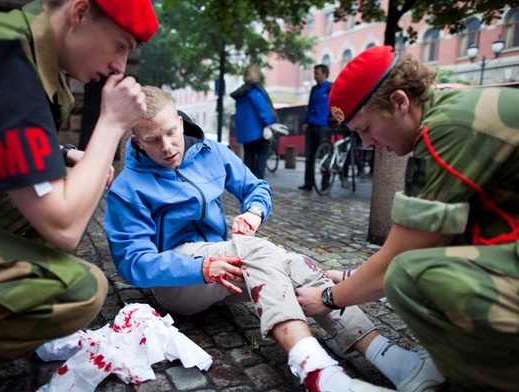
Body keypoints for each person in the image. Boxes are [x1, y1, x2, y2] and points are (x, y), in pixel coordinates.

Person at [105, 85, 446, 392]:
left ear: (181, 121)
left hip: (225, 268)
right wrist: (203, 268)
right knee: (256, 250)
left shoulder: (212, 152)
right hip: (178, 284)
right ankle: (320, 374)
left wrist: (253, 212)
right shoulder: (126, 188)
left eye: (171, 133)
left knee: (295, 266)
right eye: (152, 140)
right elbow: (133, 263)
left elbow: (257, 188)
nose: (167, 147)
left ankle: (393, 359)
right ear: (136, 140)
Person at [0, 0, 157, 377]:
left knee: (63, 188)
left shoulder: (16, 48)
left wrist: (67, 155)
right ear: (80, 13)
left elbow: (0, 131)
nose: (120, 65)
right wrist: (112, 123)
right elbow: (64, 226)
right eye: (120, 45)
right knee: (79, 290)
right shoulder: (6, 64)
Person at [295, 45, 519, 391]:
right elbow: (437, 233)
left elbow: (400, 259)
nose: (366, 143)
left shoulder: (445, 129)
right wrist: (353, 277)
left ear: (399, 102)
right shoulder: (444, 110)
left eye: (366, 127)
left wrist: (327, 298)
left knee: (408, 277)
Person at [230, 64, 278, 180]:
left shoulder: (242, 93)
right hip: (258, 131)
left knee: (249, 157)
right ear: (255, 75)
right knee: (261, 157)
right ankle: (258, 186)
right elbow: (263, 109)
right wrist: (270, 124)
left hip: (246, 134)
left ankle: (248, 183)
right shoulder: (254, 91)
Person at [299, 64, 334, 191]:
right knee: (309, 156)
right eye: (314, 73)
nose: (315, 76)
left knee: (325, 155)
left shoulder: (330, 88)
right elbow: (309, 106)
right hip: (311, 125)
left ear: (324, 73)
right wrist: (306, 121)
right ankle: (308, 183)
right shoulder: (314, 89)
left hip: (324, 126)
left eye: (317, 73)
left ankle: (325, 183)